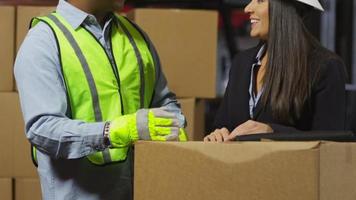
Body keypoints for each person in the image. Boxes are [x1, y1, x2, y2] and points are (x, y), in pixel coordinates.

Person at [14, 0, 187, 199]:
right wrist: (112, 132)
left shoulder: (136, 37)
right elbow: (43, 129)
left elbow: (166, 103)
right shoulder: (44, 41)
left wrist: (174, 124)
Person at [204, 0, 346, 142]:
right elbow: (221, 125)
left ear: (284, 8)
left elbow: (332, 144)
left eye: (260, 1)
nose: (247, 8)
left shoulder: (324, 67)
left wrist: (273, 132)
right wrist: (218, 134)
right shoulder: (241, 63)